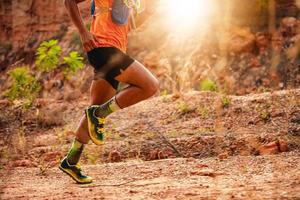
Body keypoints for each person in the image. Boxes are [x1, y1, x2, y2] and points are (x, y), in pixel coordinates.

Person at [59, 0, 159, 184]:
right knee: (150, 85)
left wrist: (151, 11)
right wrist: (83, 32)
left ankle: (71, 161)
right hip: (103, 48)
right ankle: (99, 114)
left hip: (112, 50)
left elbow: (130, 25)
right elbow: (69, 1)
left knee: (92, 110)